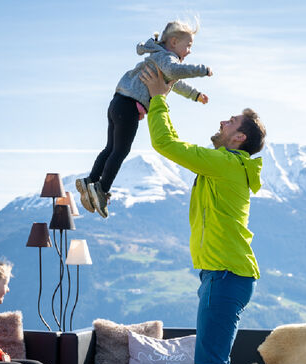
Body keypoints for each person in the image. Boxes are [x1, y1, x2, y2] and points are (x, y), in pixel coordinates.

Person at [140, 64, 267, 364]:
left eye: (230, 120)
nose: (222, 121)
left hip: (227, 275)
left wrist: (160, 97)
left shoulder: (226, 164)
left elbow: (166, 143)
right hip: (222, 276)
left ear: (239, 138)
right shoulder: (224, 165)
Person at [75, 19, 212, 219]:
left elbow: (175, 83)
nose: (189, 51)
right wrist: (201, 70)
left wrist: (195, 95)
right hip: (129, 106)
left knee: (111, 147)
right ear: (173, 42)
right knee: (121, 150)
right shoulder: (167, 58)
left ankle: (90, 181)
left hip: (118, 102)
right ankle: (101, 190)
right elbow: (175, 73)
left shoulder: (157, 57)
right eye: (188, 45)